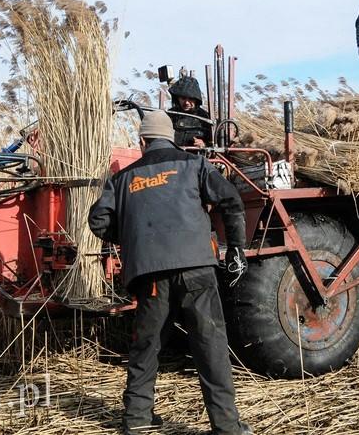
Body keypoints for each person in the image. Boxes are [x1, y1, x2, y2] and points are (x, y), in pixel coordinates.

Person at [88, 110, 253, 435]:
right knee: (209, 344)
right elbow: (231, 199)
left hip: (149, 274)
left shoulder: (123, 178)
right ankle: (227, 427)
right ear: (171, 138)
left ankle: (137, 420)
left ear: (142, 141)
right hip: (196, 268)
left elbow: (98, 221)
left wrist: (132, 235)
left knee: (147, 345)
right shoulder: (194, 165)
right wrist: (235, 247)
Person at [167, 75, 213, 147]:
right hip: (173, 155)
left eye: (191, 99)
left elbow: (214, 143)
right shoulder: (170, 115)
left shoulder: (205, 118)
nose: (186, 102)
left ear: (196, 100)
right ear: (178, 98)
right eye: (183, 98)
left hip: (195, 157)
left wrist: (204, 144)